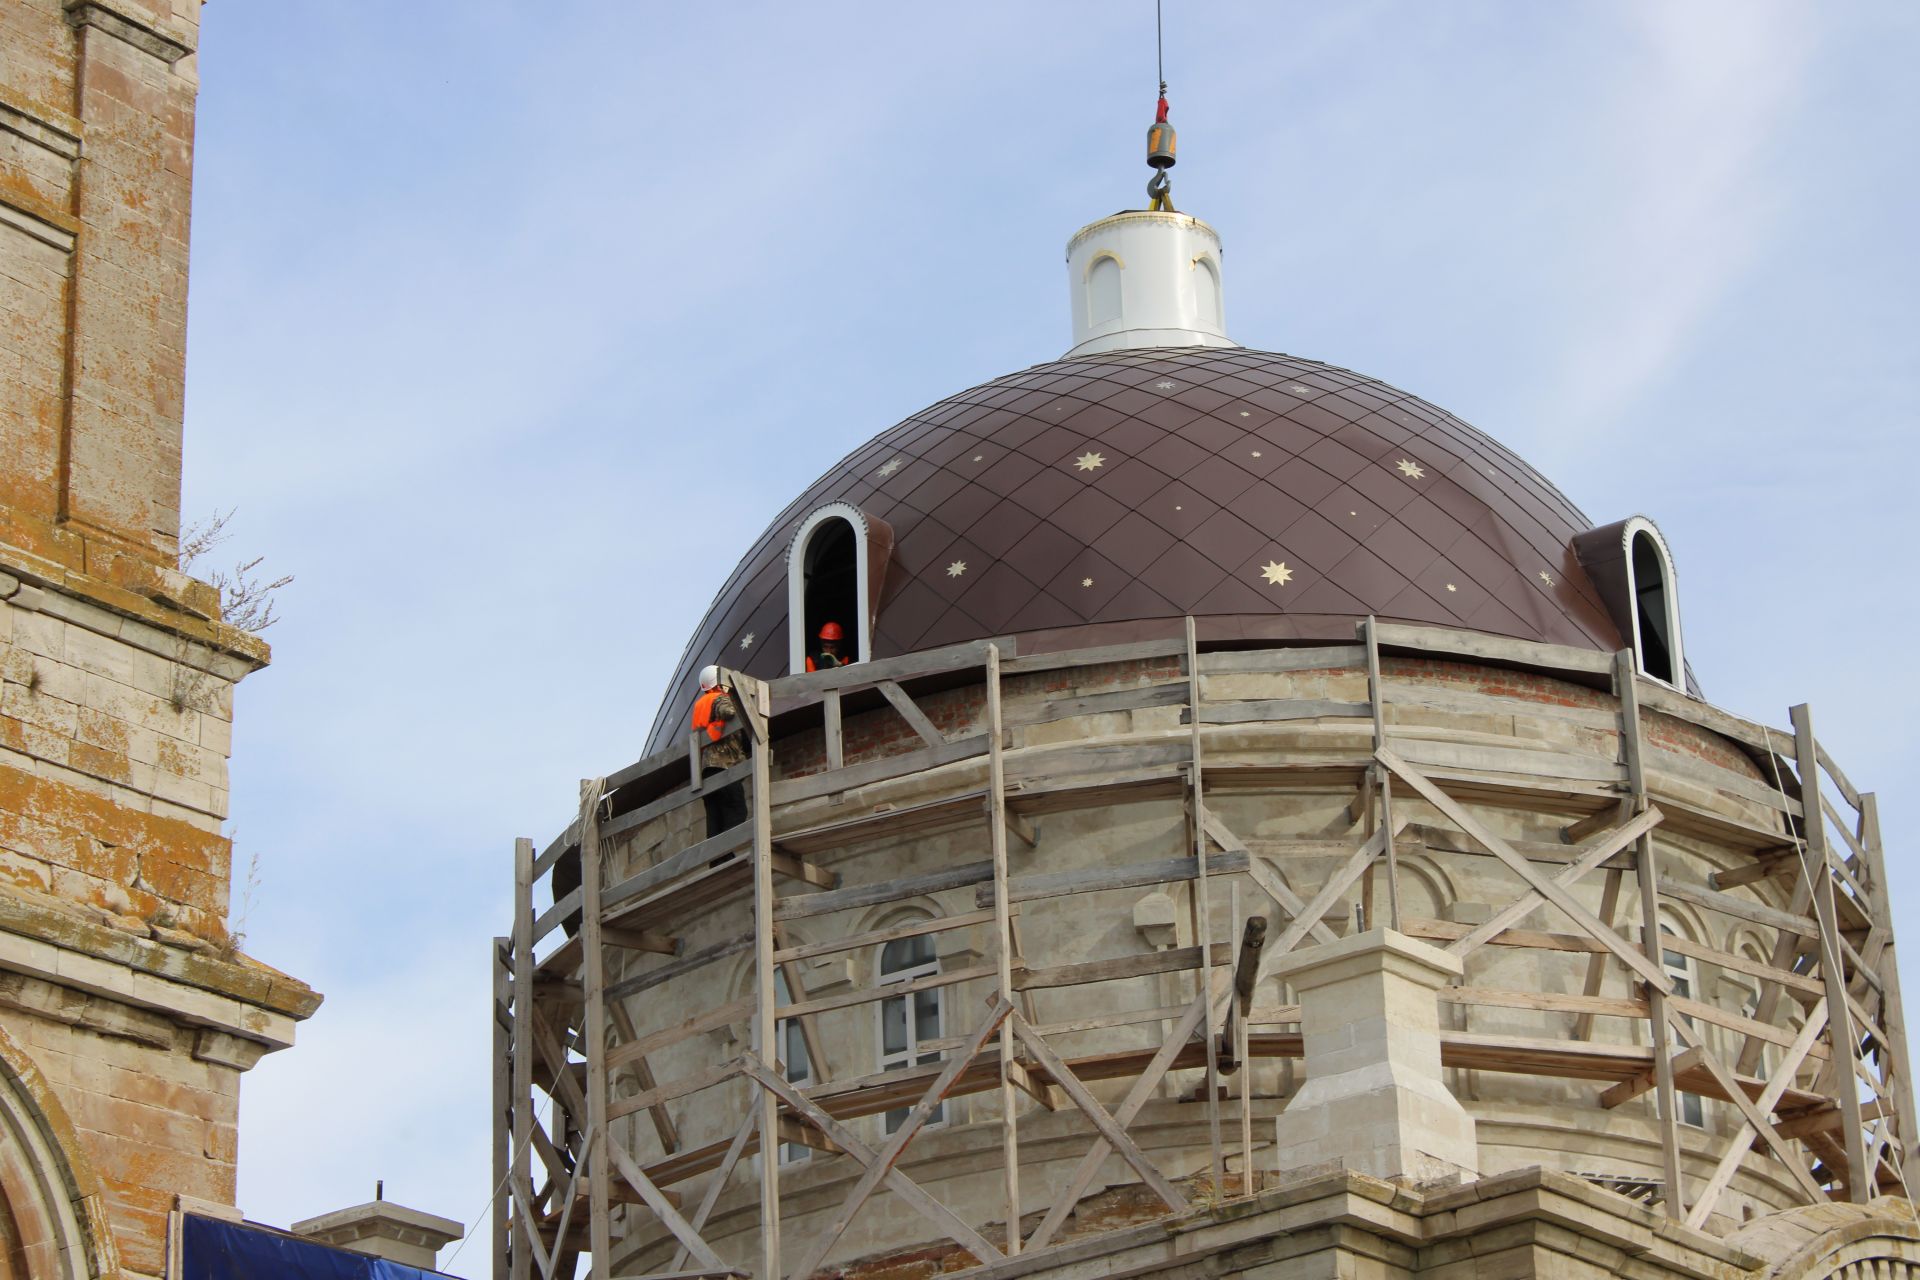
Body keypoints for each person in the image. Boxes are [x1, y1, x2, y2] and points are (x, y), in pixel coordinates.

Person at [691, 664, 748, 835]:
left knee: (715, 818)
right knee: (737, 811)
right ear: (719, 682)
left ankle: (717, 861)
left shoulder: (700, 704)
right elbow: (728, 712)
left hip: (706, 768)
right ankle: (726, 853)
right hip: (724, 765)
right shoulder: (720, 698)